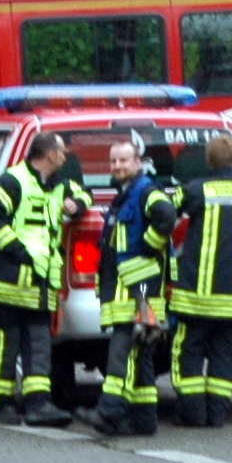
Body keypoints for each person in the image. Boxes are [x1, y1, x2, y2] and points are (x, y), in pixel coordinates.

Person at [0, 128, 88, 426]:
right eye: (62, 151)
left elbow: (83, 194)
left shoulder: (58, 185)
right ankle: (2, 403)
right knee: (7, 344)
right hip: (11, 282)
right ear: (51, 155)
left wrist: (77, 205)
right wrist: (17, 250)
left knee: (39, 345)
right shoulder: (14, 180)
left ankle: (38, 404)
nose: (65, 156)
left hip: (41, 283)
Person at [77, 135, 175, 436]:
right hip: (134, 290)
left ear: (137, 162)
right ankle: (145, 420)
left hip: (139, 292)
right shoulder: (126, 194)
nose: (118, 165)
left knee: (121, 351)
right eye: (114, 161)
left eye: (123, 160)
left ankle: (109, 412)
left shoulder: (145, 191)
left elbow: (167, 215)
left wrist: (148, 246)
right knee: (141, 353)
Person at [166, 132, 232, 428]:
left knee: (187, 351)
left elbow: (169, 210)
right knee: (225, 354)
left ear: (208, 161)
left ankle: (193, 414)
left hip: (197, 295)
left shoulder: (197, 190)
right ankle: (217, 414)